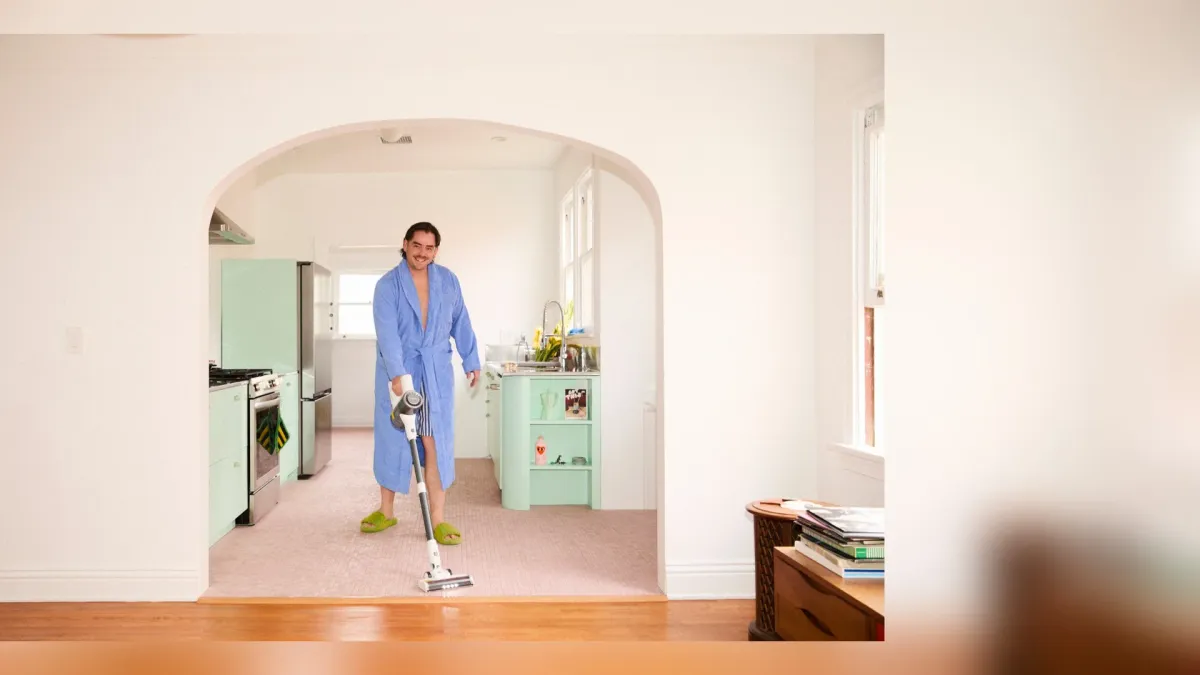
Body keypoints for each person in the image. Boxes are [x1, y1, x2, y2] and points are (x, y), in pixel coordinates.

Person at [360, 221, 481, 544]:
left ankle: (437, 518)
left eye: (429, 248)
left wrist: (471, 359)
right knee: (394, 440)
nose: (422, 253)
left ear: (436, 251)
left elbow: (461, 321)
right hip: (401, 370)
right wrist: (398, 375)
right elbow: (387, 335)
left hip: (436, 371)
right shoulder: (388, 285)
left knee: (434, 441)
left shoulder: (448, 281)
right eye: (417, 246)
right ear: (406, 244)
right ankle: (386, 511)